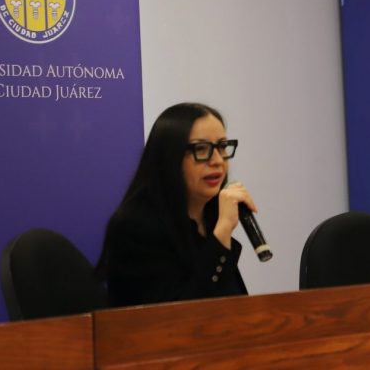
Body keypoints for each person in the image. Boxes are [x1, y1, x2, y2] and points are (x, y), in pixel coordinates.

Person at [96, 102, 257, 307]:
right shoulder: (134, 226)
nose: (218, 160)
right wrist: (223, 230)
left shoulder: (211, 216)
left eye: (222, 146)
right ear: (170, 157)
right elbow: (181, 315)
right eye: (201, 149)